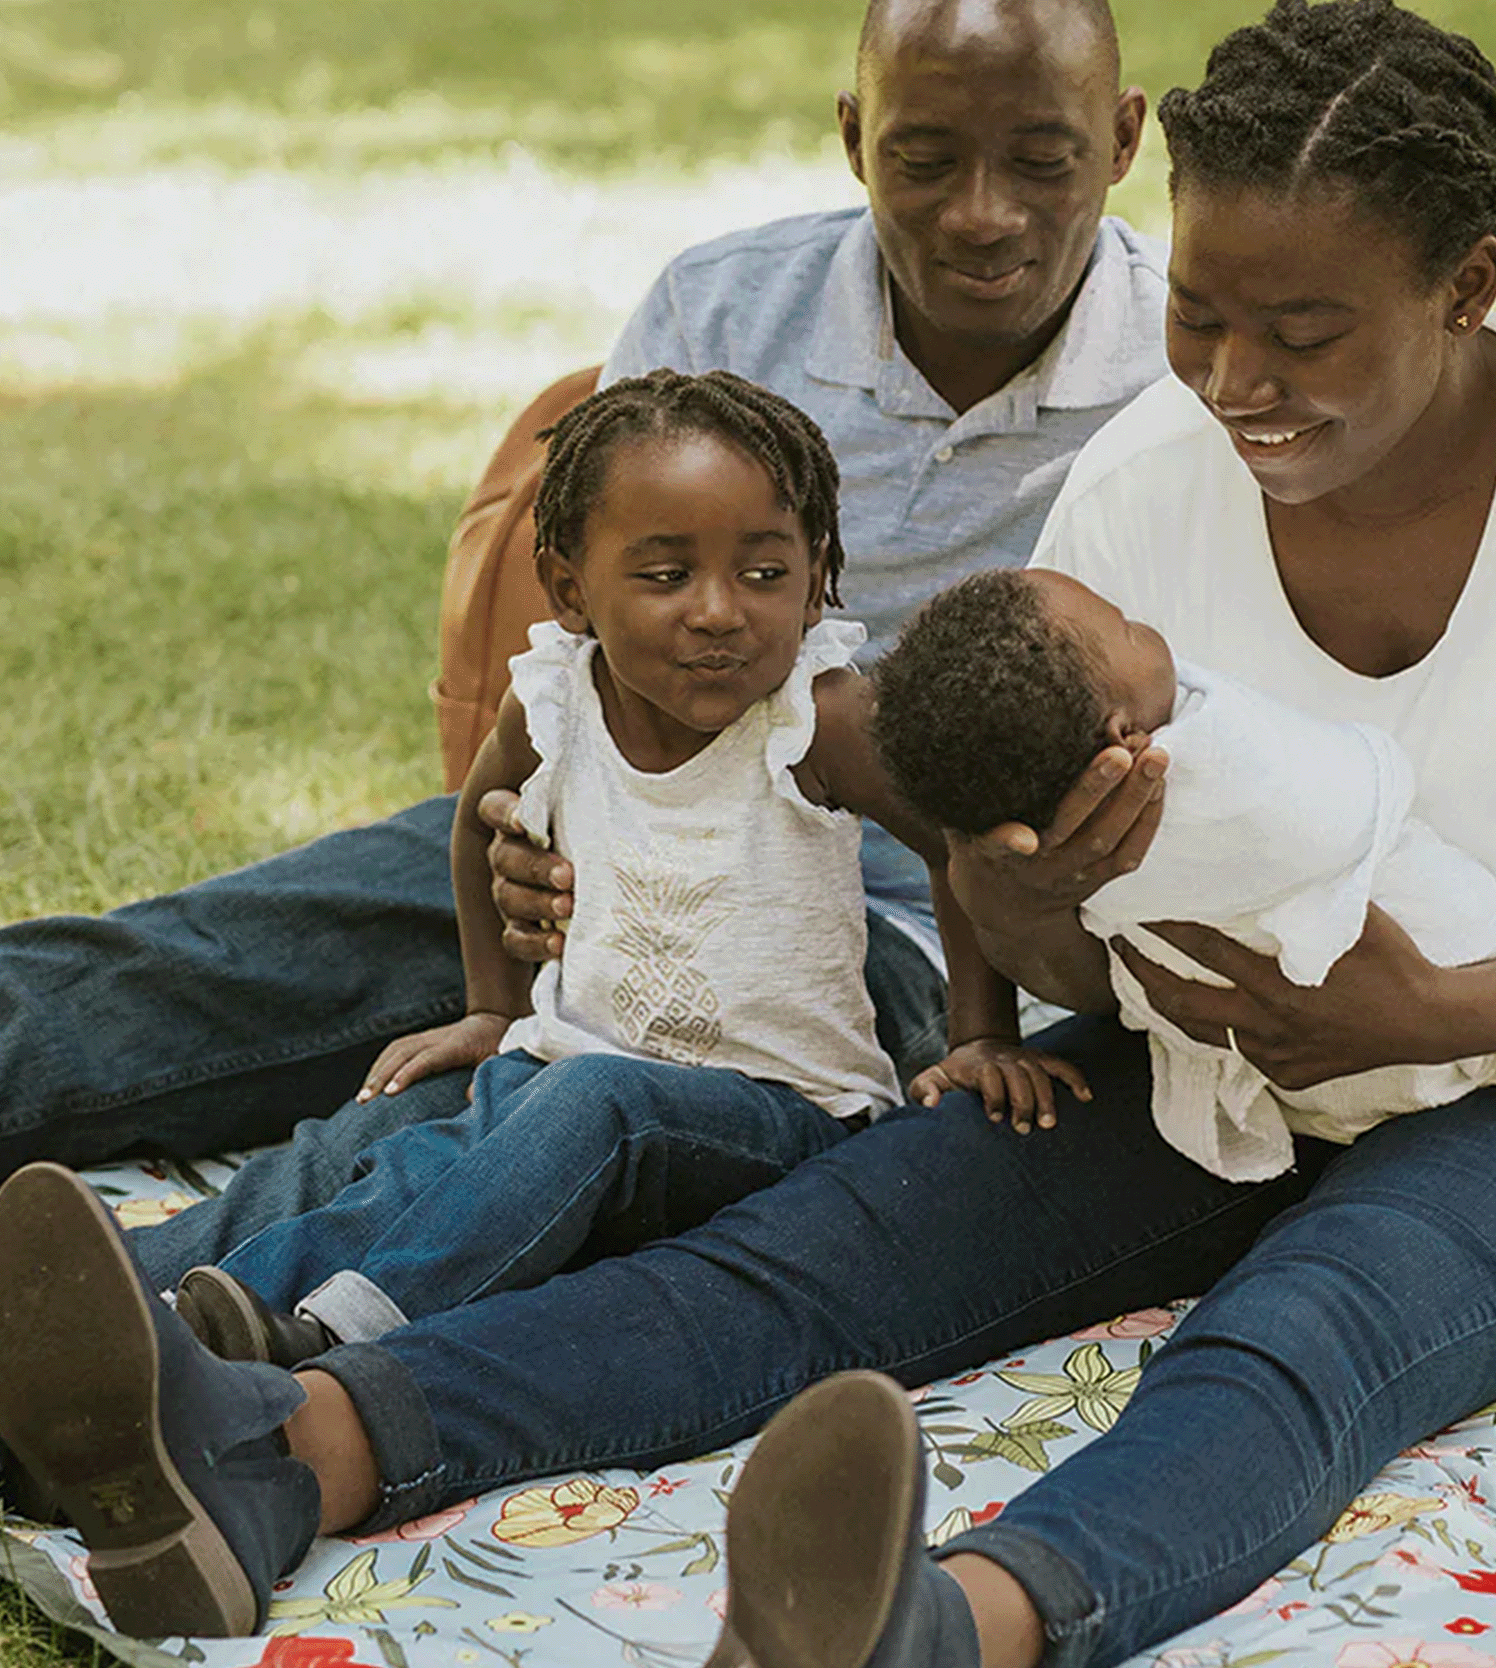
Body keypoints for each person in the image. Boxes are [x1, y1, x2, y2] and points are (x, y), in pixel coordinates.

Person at [0, 1, 1496, 1668]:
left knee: (1303, 1338)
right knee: (819, 1250)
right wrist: (1032, 903)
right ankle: (284, 1449)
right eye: (1201, 317)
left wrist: (1430, 1012)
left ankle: (923, 1640)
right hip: (1207, 1048)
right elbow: (1040, 936)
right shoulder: (1143, 481)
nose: (1234, 380)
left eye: (1303, 334)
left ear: (1468, 286)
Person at [0, 0, 1162, 1288]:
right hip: (603, 836)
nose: (982, 214)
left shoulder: (1190, 373)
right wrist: (527, 832)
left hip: (880, 935)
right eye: (924, 159)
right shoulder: (723, 304)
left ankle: (148, 1307)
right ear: (854, 137)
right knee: (203, 964)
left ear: (1121, 141)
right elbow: (594, 613)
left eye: (1040, 161)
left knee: (469, 1122)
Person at [171, 373, 1084, 1372]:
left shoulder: (815, 717)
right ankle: (169, 1315)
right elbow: (479, 822)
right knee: (403, 1150)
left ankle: (341, 1334)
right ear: (570, 588)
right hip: (564, 1074)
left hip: (782, 1116)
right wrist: (491, 1009)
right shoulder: (553, 702)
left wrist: (980, 1034)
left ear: (817, 571)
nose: (719, 612)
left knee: (594, 1101)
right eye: (665, 576)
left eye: (765, 573)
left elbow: (956, 845)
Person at [872, 564, 1496, 1180]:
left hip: (1374, 1039)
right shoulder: (1215, 775)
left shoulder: (1048, 832)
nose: (1147, 627)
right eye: (1127, 626)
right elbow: (1358, 786)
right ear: (1122, 737)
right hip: (1439, 985)